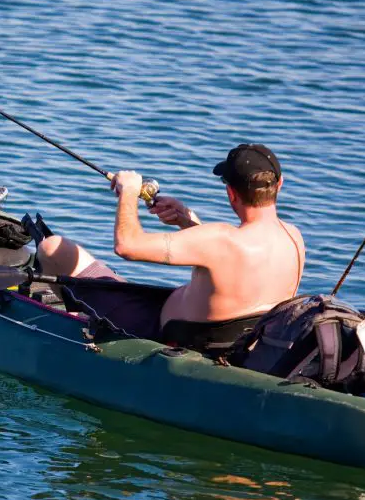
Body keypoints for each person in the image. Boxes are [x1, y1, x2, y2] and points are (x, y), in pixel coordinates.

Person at [36, 143, 305, 351]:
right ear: (279, 184)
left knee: (52, 247)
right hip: (236, 344)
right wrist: (186, 221)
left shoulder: (221, 239)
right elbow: (232, 268)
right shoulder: (293, 239)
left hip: (159, 332)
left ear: (231, 193)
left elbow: (127, 246)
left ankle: (73, 329)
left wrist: (128, 191)